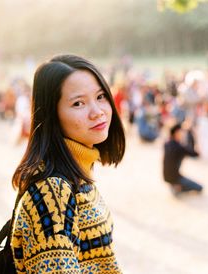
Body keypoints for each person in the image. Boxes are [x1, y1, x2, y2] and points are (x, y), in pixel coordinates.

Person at [10, 54, 125, 273]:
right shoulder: (51, 190)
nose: (97, 111)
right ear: (52, 115)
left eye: (101, 96)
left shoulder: (77, 174)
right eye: (78, 103)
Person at [163, 123, 203, 195]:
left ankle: (176, 186)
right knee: (200, 188)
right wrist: (195, 136)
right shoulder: (180, 148)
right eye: (181, 132)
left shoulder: (167, 143)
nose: (183, 134)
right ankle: (178, 188)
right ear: (176, 133)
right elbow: (197, 154)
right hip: (175, 177)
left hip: (166, 177)